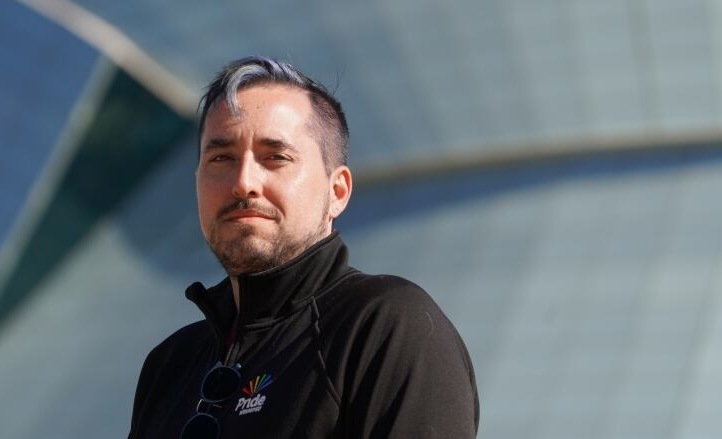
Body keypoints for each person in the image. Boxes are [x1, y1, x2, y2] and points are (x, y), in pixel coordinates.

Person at [128, 56, 479, 438]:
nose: (243, 182)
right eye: (221, 158)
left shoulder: (385, 325)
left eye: (275, 157)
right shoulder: (171, 365)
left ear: (338, 191)